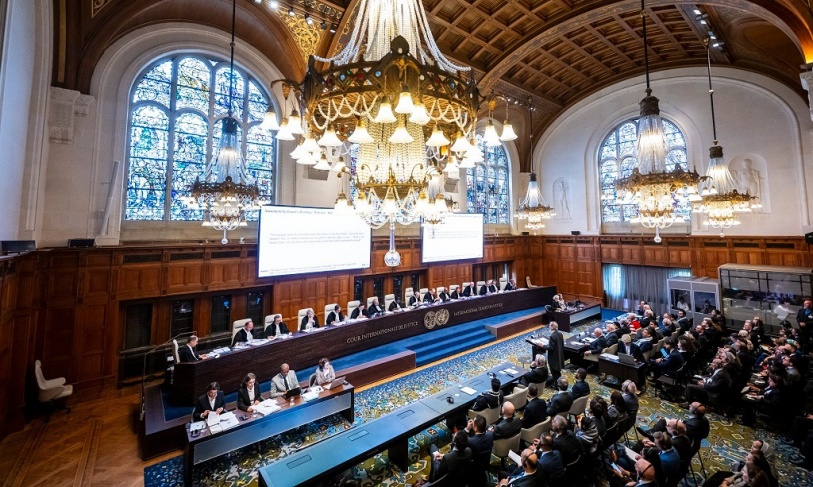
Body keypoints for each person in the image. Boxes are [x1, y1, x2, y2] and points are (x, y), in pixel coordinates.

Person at [464, 415, 494, 487]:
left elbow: (461, 440)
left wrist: (467, 429)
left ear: (475, 428)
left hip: (472, 469)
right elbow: (488, 429)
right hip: (485, 465)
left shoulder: (471, 441)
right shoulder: (490, 435)